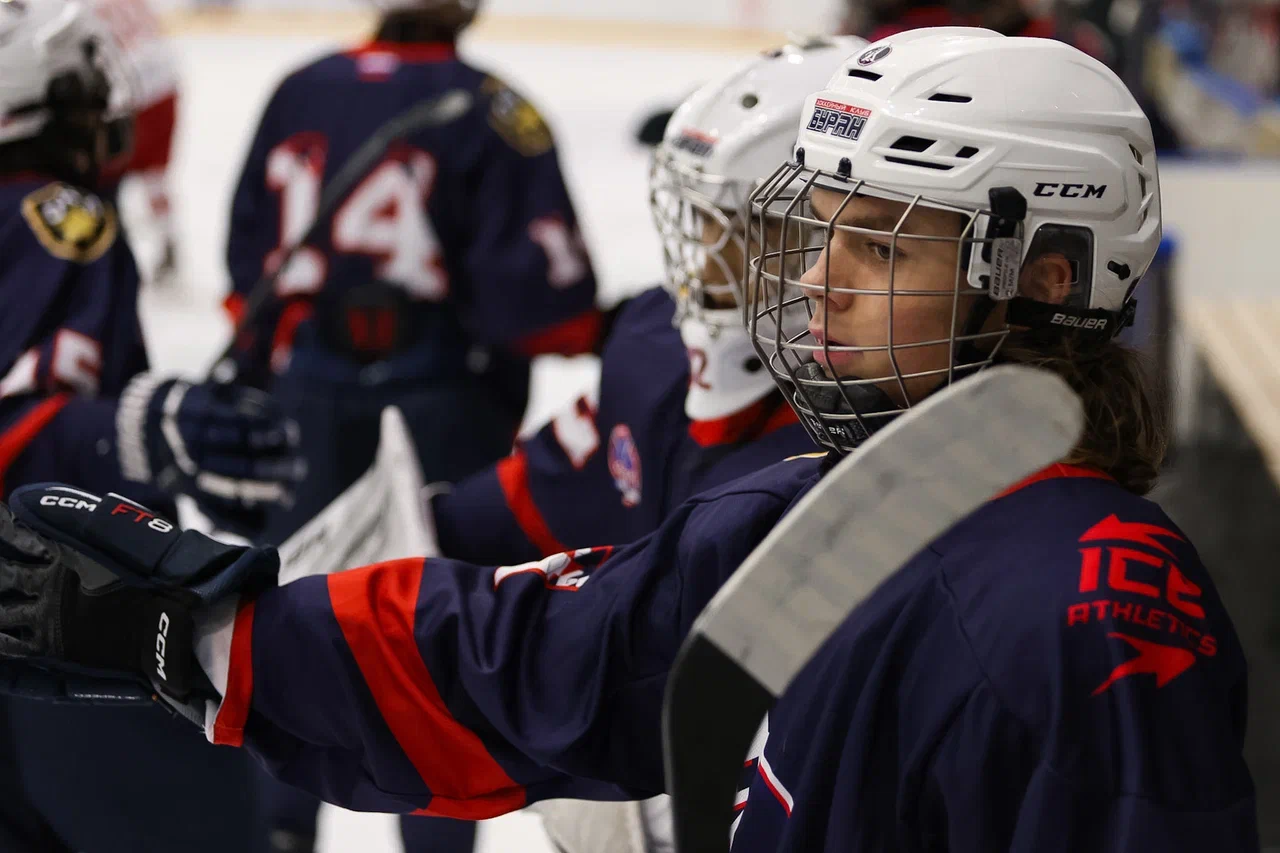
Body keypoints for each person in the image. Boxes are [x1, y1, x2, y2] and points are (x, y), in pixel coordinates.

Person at [0, 28, 1259, 853]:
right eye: (812, 235)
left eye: (878, 246)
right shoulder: (813, 509)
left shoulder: (1095, 604)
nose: (812, 286)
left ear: (1040, 274)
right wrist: (202, 627)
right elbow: (529, 661)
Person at [223, 0, 600, 849]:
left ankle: (274, 828)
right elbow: (547, 306)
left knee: (279, 611)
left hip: (306, 393)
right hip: (442, 398)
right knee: (431, 633)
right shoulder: (494, 106)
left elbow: (246, 268)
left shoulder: (301, 88)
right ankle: (435, 832)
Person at [0, 1, 301, 850]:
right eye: (81, 91)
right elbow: (22, 434)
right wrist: (138, 426)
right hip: (49, 606)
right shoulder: (59, 217)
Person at [431, 37, 859, 568]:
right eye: (705, 221)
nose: (706, 266)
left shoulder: (878, 438)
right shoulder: (655, 339)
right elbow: (516, 506)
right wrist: (422, 532)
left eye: (760, 229)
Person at [92, 0, 183, 287]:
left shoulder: (80, 7)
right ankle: (167, 239)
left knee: (105, 177)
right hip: (163, 87)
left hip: (127, 94)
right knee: (154, 174)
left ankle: (109, 250)